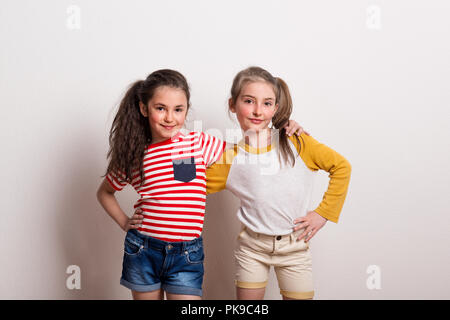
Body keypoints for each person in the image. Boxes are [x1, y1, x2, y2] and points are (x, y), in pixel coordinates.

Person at [96, 69, 305, 300]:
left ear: (186, 110)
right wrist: (125, 221)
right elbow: (105, 193)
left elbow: (247, 150)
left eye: (178, 110)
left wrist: (283, 128)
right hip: (144, 250)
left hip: (187, 255)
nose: (169, 117)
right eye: (160, 108)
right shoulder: (135, 155)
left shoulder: (197, 143)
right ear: (144, 109)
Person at [205, 66, 352, 300]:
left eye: (266, 103)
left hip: (295, 248)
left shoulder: (297, 141)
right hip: (252, 249)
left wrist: (324, 213)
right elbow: (188, 186)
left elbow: (341, 167)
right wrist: (180, 145)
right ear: (233, 105)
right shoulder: (230, 158)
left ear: (275, 107)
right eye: (249, 101)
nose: (257, 111)